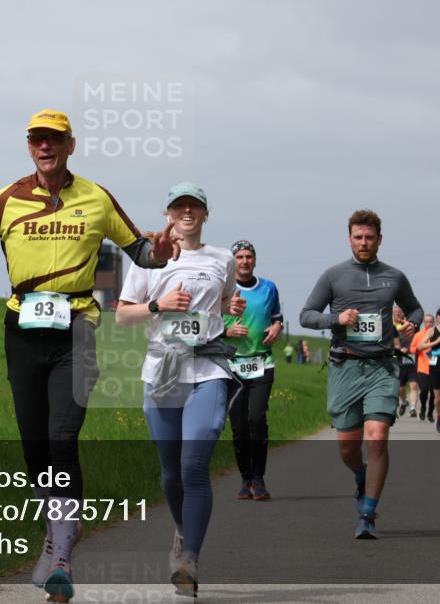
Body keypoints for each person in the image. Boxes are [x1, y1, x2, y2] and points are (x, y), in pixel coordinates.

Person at [0, 109, 180, 602]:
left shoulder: (96, 197)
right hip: (22, 331)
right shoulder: (8, 199)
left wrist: (163, 250)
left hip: (77, 329)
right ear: (29, 147)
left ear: (70, 144)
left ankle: (61, 553)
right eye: (37, 140)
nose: (45, 147)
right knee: (35, 449)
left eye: (54, 139)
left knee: (63, 438)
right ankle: (58, 530)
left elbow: (143, 253)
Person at [116, 182, 244, 598]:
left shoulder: (222, 258)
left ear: (205, 214)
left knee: (193, 467)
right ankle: (180, 529)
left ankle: (189, 559)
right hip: (164, 368)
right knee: (171, 473)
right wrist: (159, 306)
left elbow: (222, 300)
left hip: (208, 368)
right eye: (179, 206)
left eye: (195, 206)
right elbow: (122, 317)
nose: (187, 212)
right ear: (168, 213)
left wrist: (229, 309)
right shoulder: (149, 257)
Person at [300, 209, 422, 540]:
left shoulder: (394, 277)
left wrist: (413, 323)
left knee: (377, 435)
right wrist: (335, 320)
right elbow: (306, 316)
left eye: (369, 237)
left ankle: (368, 513)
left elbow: (415, 308)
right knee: (348, 449)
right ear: (349, 239)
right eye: (358, 237)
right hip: (345, 367)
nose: (364, 242)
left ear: (379, 239)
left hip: (382, 366)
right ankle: (360, 477)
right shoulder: (333, 276)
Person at [222, 240, 283, 502]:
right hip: (232, 366)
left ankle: (259, 478)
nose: (245, 261)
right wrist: (227, 331)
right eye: (239, 257)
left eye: (249, 256)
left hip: (262, 363)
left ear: (255, 260)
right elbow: (207, 323)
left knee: (257, 419)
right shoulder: (222, 289)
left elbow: (277, 316)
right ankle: (245, 478)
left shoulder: (268, 288)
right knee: (238, 426)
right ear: (233, 261)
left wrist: (277, 327)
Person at [392, 305, 419, 417]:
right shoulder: (389, 327)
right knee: (400, 388)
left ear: (404, 314)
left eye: (400, 311)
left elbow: (418, 340)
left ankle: (412, 408)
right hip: (398, 361)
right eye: (396, 311)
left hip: (412, 360)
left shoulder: (410, 327)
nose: (398, 313)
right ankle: (403, 402)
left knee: (414, 386)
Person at [410, 314, 437, 423]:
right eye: (426, 322)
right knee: (424, 390)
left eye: (430, 322)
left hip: (435, 368)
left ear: (434, 323)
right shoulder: (419, 335)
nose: (428, 324)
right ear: (423, 323)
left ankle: (430, 413)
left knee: (433, 393)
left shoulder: (437, 335)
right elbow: (411, 348)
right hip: (422, 367)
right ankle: (422, 408)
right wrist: (418, 349)